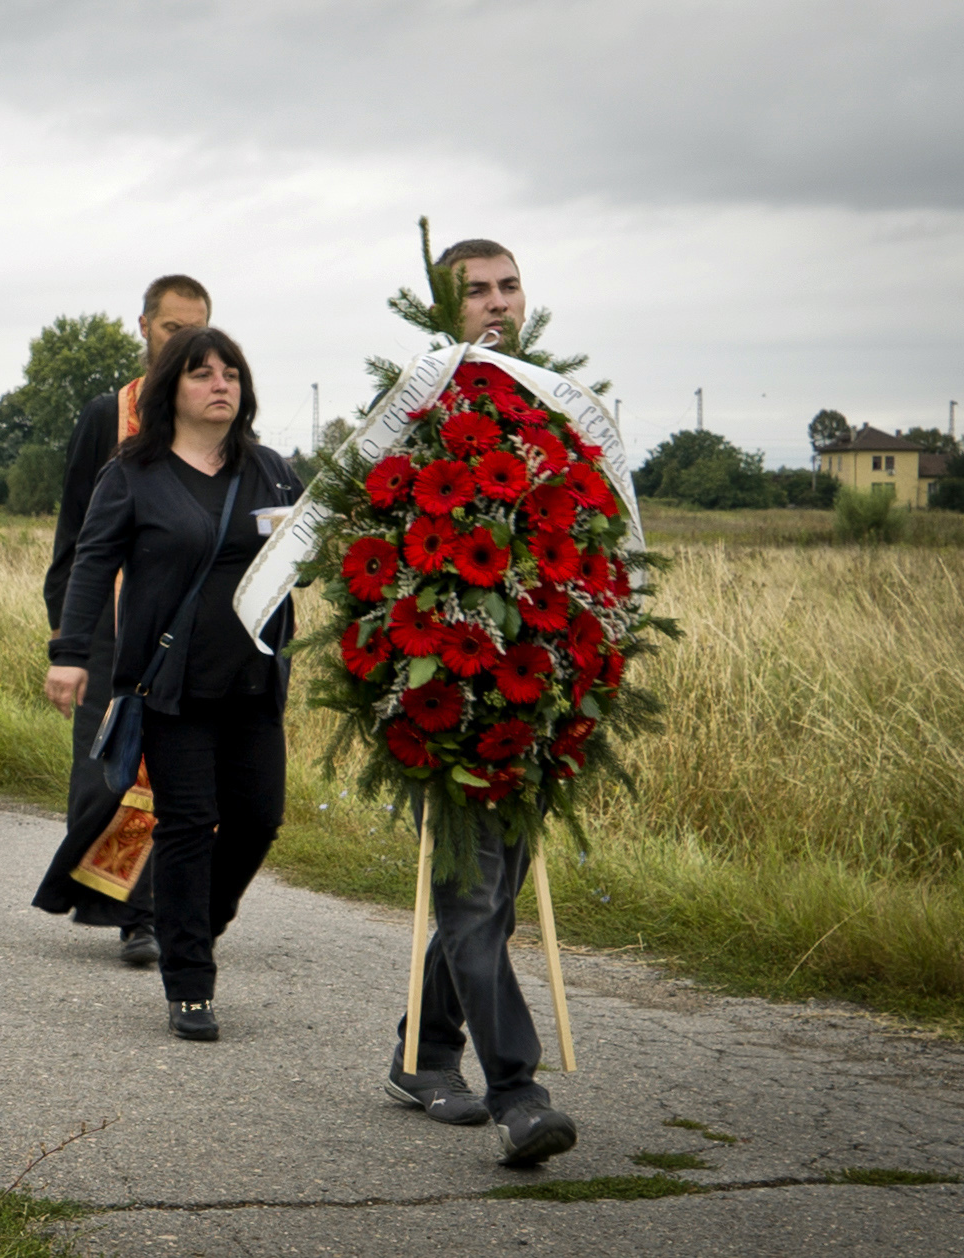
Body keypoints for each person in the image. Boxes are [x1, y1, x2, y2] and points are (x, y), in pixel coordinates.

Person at [379, 236, 579, 1168]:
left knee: (490, 899)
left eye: (509, 287)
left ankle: (422, 1054)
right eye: (476, 292)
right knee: (471, 900)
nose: (497, 304)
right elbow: (373, 534)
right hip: (445, 692)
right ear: (443, 306)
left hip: (538, 691)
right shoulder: (419, 408)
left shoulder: (555, 405)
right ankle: (518, 1091)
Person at [45, 326, 301, 1042]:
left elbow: (311, 552)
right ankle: (189, 982)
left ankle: (196, 927)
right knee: (188, 824)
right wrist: (70, 652)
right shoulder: (134, 473)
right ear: (171, 391)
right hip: (171, 685)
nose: (220, 384)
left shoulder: (273, 471)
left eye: (231, 374)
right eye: (201, 374)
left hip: (253, 681)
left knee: (257, 820)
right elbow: (92, 563)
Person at [33, 275, 213, 964]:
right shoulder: (108, 415)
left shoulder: (222, 417)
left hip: (194, 622)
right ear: (143, 327)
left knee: (182, 771)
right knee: (110, 768)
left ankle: (151, 911)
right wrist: (66, 636)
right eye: (173, 330)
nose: (184, 344)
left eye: (197, 331)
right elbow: (74, 531)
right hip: (110, 621)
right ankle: (117, 900)